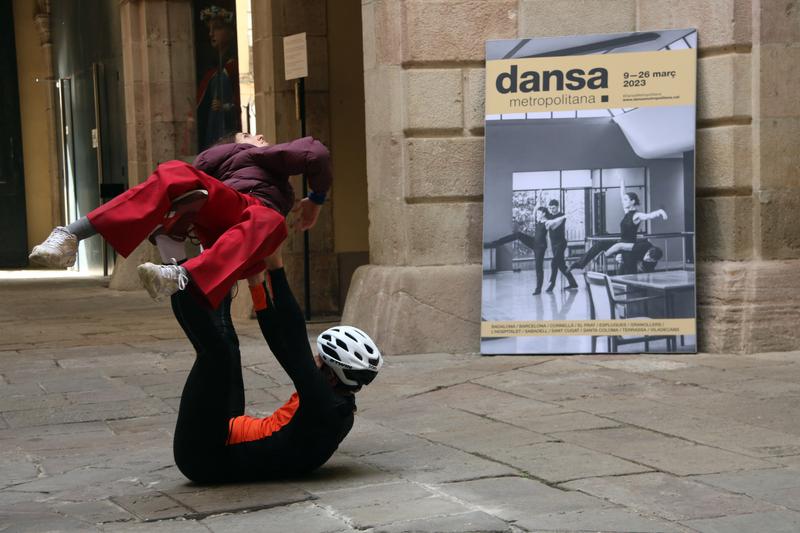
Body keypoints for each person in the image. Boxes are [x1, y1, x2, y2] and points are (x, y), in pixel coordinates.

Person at [28, 134, 331, 309]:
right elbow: (314, 153)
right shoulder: (256, 156)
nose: (262, 138)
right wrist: (316, 200)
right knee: (270, 220)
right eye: (253, 135)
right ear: (239, 145)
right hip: (245, 222)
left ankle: (74, 235)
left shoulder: (224, 167)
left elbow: (199, 169)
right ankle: (180, 270)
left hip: (231, 237)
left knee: (174, 171)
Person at [171, 248, 382, 482]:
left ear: (332, 376)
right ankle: (205, 255)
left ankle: (176, 269)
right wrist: (256, 281)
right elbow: (281, 343)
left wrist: (276, 267)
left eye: (319, 359)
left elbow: (295, 339)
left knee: (217, 354)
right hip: (225, 435)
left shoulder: (322, 403)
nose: (312, 360)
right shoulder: (338, 405)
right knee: (227, 344)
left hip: (203, 454)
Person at [568, 178, 667, 273]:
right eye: (624, 200)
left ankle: (633, 287)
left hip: (629, 245)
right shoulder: (627, 212)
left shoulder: (637, 215)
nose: (623, 202)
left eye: (626, 200)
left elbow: (648, 216)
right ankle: (579, 264)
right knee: (600, 245)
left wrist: (660, 212)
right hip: (621, 241)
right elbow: (622, 194)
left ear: (632, 201)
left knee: (628, 271)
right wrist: (622, 182)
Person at [484, 207, 559, 295]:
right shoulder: (539, 219)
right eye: (537, 213)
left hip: (540, 247)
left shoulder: (547, 222)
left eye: (539, 213)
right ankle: (496, 243)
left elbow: (554, 223)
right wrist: (538, 197)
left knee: (538, 267)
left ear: (543, 213)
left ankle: (538, 289)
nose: (537, 214)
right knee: (518, 235)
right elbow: (535, 210)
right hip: (534, 242)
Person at [196, 5, 241, 150]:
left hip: (228, 130)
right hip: (214, 129)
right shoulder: (214, 71)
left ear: (231, 32)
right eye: (209, 29)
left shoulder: (233, 68)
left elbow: (240, 102)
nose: (211, 34)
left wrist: (225, 107)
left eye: (217, 28)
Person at [544, 199, 578, 292]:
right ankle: (573, 283)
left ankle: (552, 283)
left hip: (561, 243)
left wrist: (550, 222)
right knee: (562, 266)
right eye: (550, 208)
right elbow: (548, 225)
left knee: (554, 261)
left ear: (557, 207)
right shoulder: (549, 215)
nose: (552, 210)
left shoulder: (562, 215)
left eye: (553, 208)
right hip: (554, 244)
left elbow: (553, 226)